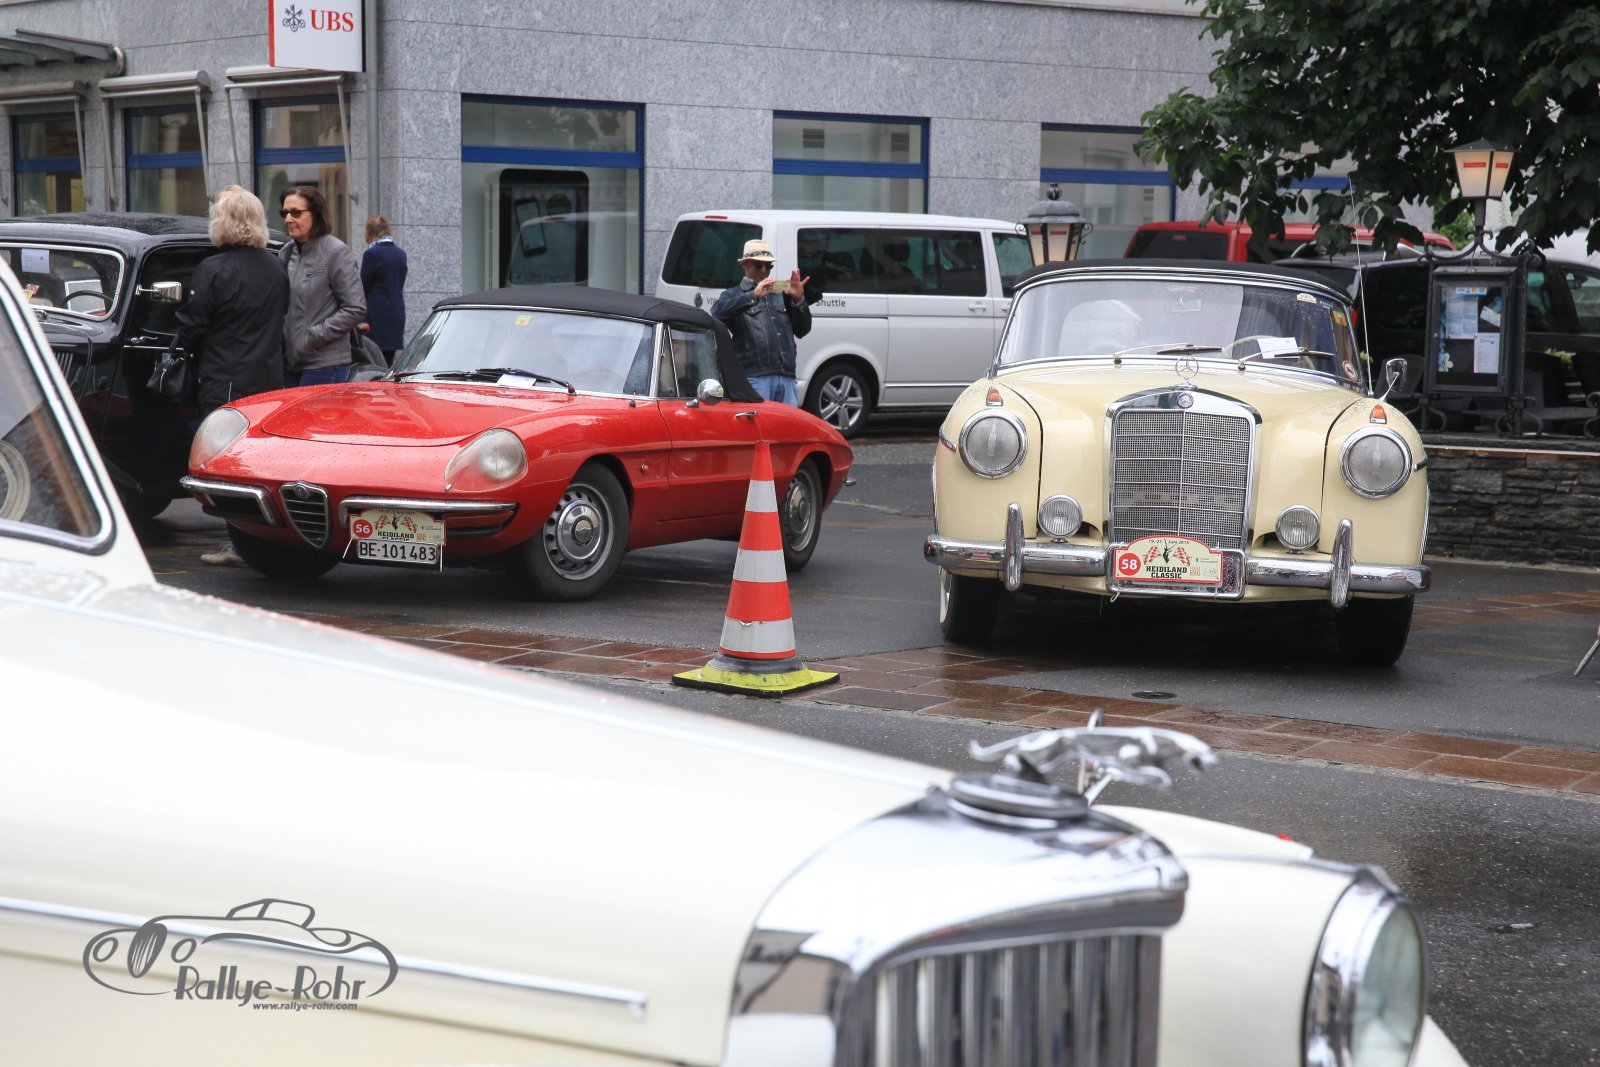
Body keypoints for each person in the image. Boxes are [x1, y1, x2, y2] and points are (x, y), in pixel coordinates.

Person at [173, 185, 289, 565]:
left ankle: (239, 542)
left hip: (225, 378)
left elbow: (193, 326)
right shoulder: (276, 266)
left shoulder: (213, 269)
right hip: (268, 378)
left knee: (227, 465)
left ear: (223, 222)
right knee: (260, 464)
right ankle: (261, 540)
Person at [278, 185, 366, 387]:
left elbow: (355, 308)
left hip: (325, 365)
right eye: (285, 213)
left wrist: (313, 337)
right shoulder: (286, 253)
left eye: (296, 213)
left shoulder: (336, 252)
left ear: (316, 214)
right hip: (289, 364)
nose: (288, 219)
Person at [709, 239, 811, 404]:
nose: (764, 270)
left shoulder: (782, 291)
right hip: (755, 376)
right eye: (758, 265)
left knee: (788, 422)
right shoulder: (733, 294)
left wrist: (799, 300)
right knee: (758, 421)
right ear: (745, 265)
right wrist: (753, 295)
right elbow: (717, 313)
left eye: (769, 266)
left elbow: (803, 330)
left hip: (786, 375)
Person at [360, 215, 408, 361]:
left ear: (368, 232)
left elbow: (362, 287)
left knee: (373, 361)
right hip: (396, 314)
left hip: (376, 317)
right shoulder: (401, 254)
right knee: (388, 362)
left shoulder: (372, 254)